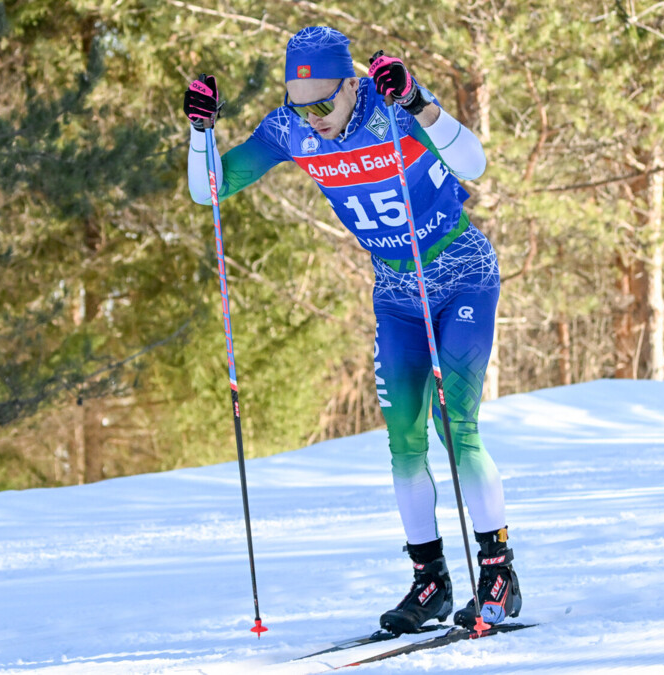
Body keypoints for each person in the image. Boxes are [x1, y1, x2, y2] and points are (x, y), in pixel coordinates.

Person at [183, 26, 520, 634]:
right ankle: (431, 582)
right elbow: (209, 189)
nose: (311, 119)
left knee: (456, 427)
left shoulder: (391, 109)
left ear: (351, 83)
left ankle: (497, 570)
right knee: (403, 441)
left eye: (322, 103)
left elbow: (474, 162)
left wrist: (420, 102)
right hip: (396, 291)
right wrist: (200, 132)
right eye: (298, 104)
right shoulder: (290, 130)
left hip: (461, 273)